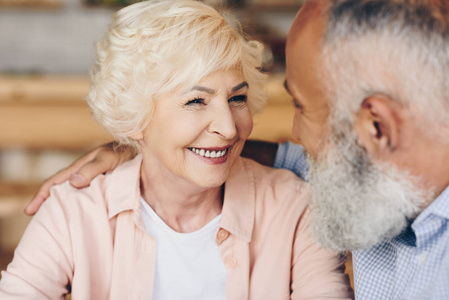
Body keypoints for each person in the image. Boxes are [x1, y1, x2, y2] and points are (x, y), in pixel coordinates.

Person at [26, 0, 449, 299]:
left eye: (238, 98)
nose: (230, 129)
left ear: (377, 127)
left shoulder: (306, 203)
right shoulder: (363, 181)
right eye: (196, 100)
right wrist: (140, 148)